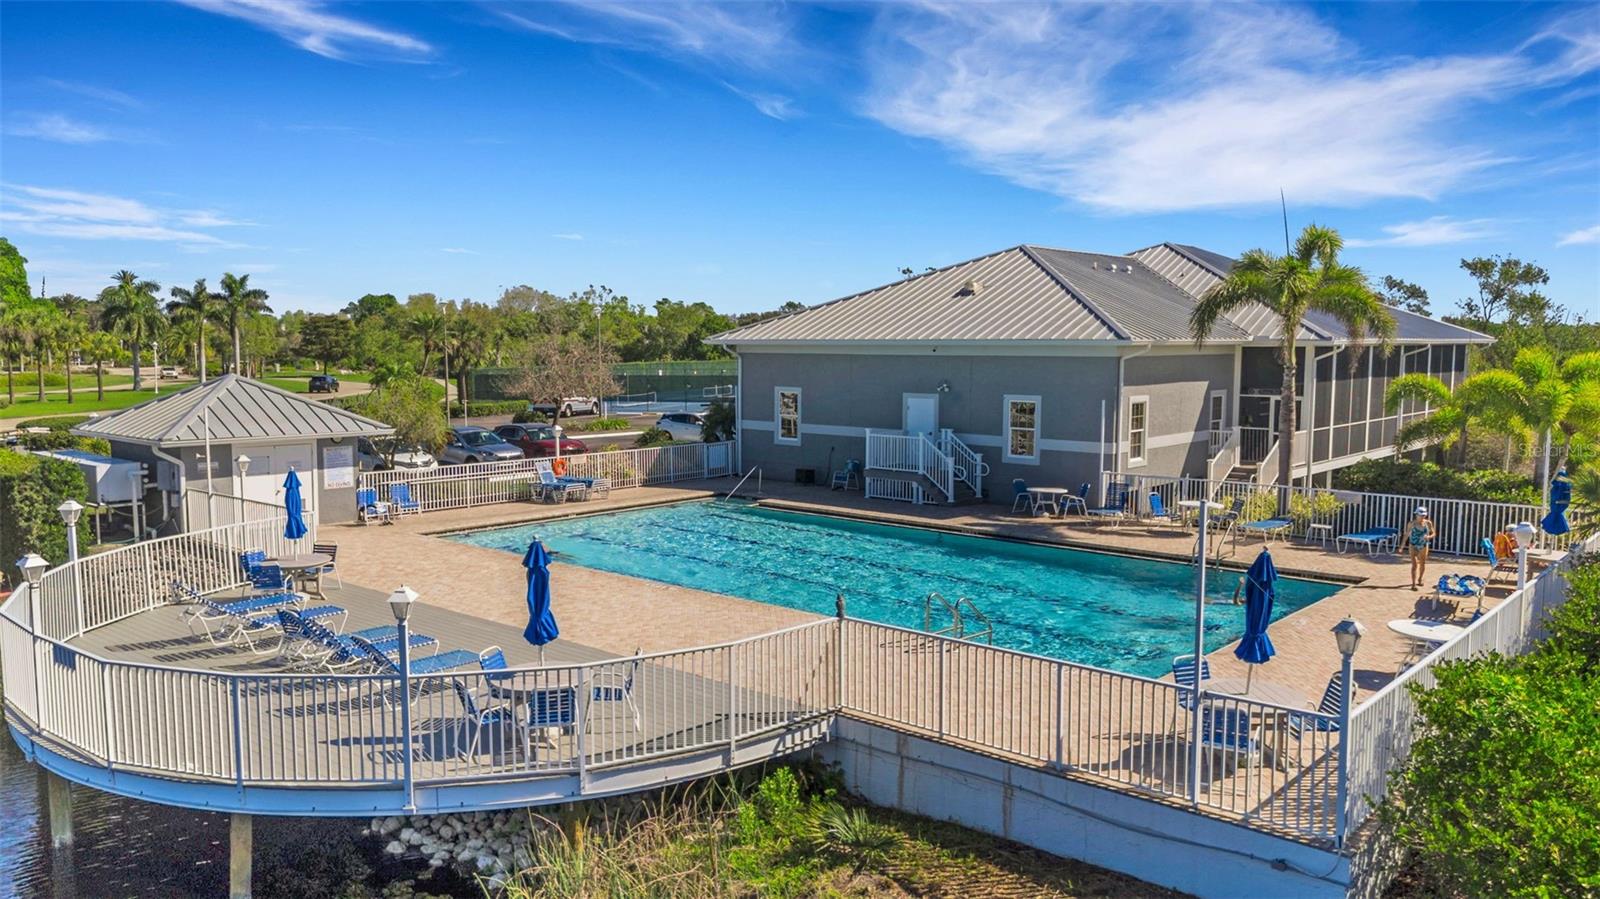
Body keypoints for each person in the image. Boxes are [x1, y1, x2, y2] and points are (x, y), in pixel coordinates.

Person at [1406, 506, 1437, 591]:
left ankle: (1419, 579)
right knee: (1414, 565)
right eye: (1420, 515)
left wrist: (1429, 537)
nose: (1422, 517)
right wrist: (1401, 546)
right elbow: (1407, 534)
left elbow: (1434, 533)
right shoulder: (1412, 523)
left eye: (1424, 515)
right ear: (1416, 515)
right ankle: (1413, 584)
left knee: (1422, 563)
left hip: (1423, 545)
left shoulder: (1428, 523)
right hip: (1413, 544)